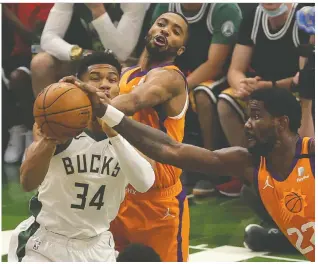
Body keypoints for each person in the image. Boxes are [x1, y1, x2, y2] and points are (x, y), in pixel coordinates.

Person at [77, 84, 314, 262]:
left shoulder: (311, 154)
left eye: (256, 116)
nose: (247, 125)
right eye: (247, 117)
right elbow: (171, 150)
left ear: (281, 123)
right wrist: (107, 112)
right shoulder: (246, 163)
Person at [63, 12, 190, 262]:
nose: (166, 30)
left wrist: (79, 103)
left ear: (181, 49)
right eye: (161, 24)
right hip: (117, 193)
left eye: (176, 31)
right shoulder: (123, 75)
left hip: (156, 202)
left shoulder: (170, 77)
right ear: (149, 30)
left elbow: (132, 102)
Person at [8, 52, 155, 262]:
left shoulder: (128, 130)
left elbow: (144, 183)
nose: (105, 84)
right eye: (95, 78)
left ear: (118, 88)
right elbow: (27, 181)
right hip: (46, 244)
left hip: (97, 245)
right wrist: (51, 140)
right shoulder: (55, 124)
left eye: (112, 79)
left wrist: (113, 132)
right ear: (79, 86)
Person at [151, 3, 243, 198]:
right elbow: (154, 52)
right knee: (149, 93)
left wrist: (178, 87)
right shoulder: (164, 6)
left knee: (202, 95)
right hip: (175, 72)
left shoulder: (223, 9)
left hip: (215, 73)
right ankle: (165, 169)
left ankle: (208, 171)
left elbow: (215, 64)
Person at [30, 3, 150, 96]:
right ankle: (48, 122)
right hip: (81, 58)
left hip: (118, 61)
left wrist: (98, 10)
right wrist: (80, 53)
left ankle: (109, 124)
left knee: (123, 68)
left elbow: (121, 53)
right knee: (41, 63)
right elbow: (48, 38)